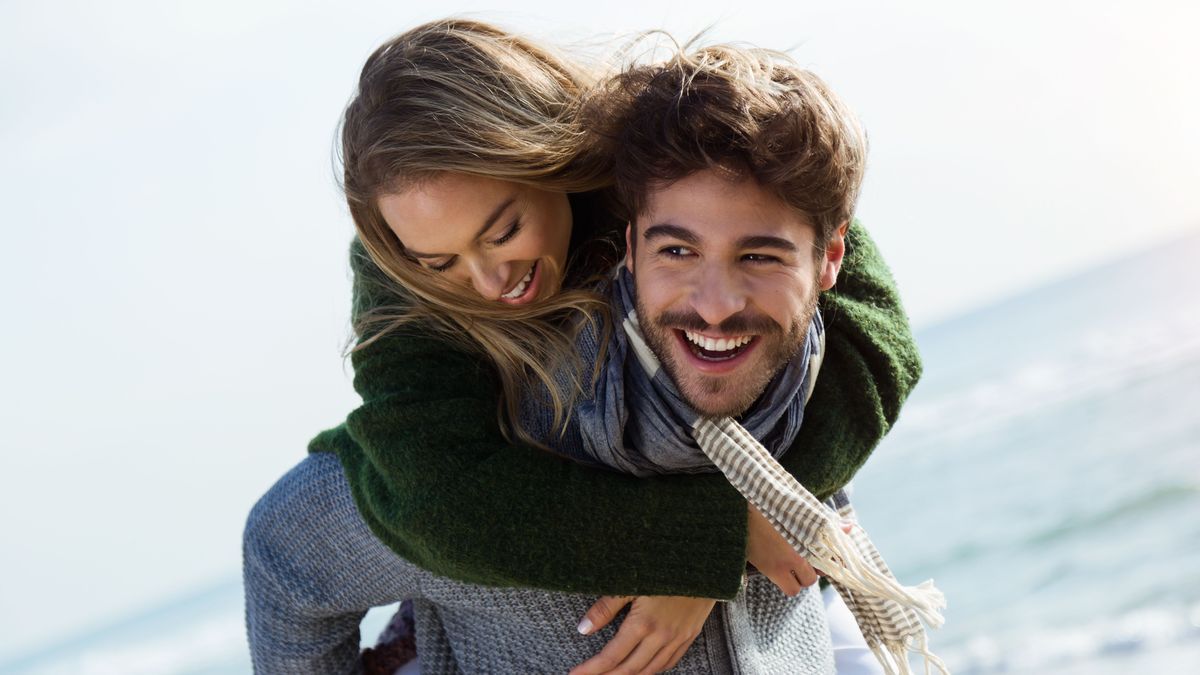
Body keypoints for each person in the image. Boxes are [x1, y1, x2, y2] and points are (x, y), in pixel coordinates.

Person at [244, 19, 920, 674]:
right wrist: (709, 541)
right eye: (439, 262)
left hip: (797, 612)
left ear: (549, 158)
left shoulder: (664, 143)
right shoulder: (401, 283)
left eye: (503, 229)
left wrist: (751, 526)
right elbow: (426, 493)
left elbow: (873, 335)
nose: (486, 279)